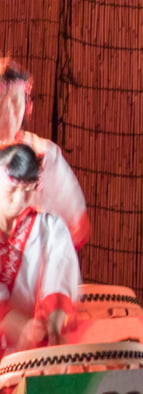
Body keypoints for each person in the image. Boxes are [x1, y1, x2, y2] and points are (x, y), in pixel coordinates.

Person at [0, 142, 82, 355]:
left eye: (27, 191)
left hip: (32, 351)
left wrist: (52, 324)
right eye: (12, 190)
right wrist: (19, 327)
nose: (19, 200)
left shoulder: (51, 228)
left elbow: (58, 279)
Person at [0, 58, 90, 250]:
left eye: (16, 102)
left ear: (26, 106)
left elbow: (76, 223)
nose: (10, 112)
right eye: (3, 103)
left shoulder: (44, 154)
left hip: (29, 268)